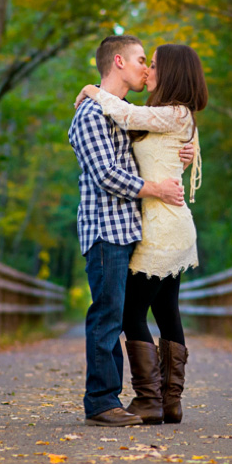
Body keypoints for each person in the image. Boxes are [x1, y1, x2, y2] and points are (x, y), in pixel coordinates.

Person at [75, 43, 207, 425]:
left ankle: (150, 399)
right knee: (166, 310)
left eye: (153, 65)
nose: (148, 70)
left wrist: (92, 89)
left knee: (132, 312)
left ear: (172, 72)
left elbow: (128, 114)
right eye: (144, 62)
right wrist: (190, 153)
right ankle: (169, 402)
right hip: (164, 222)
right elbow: (146, 135)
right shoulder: (168, 115)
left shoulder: (169, 113)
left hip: (162, 226)